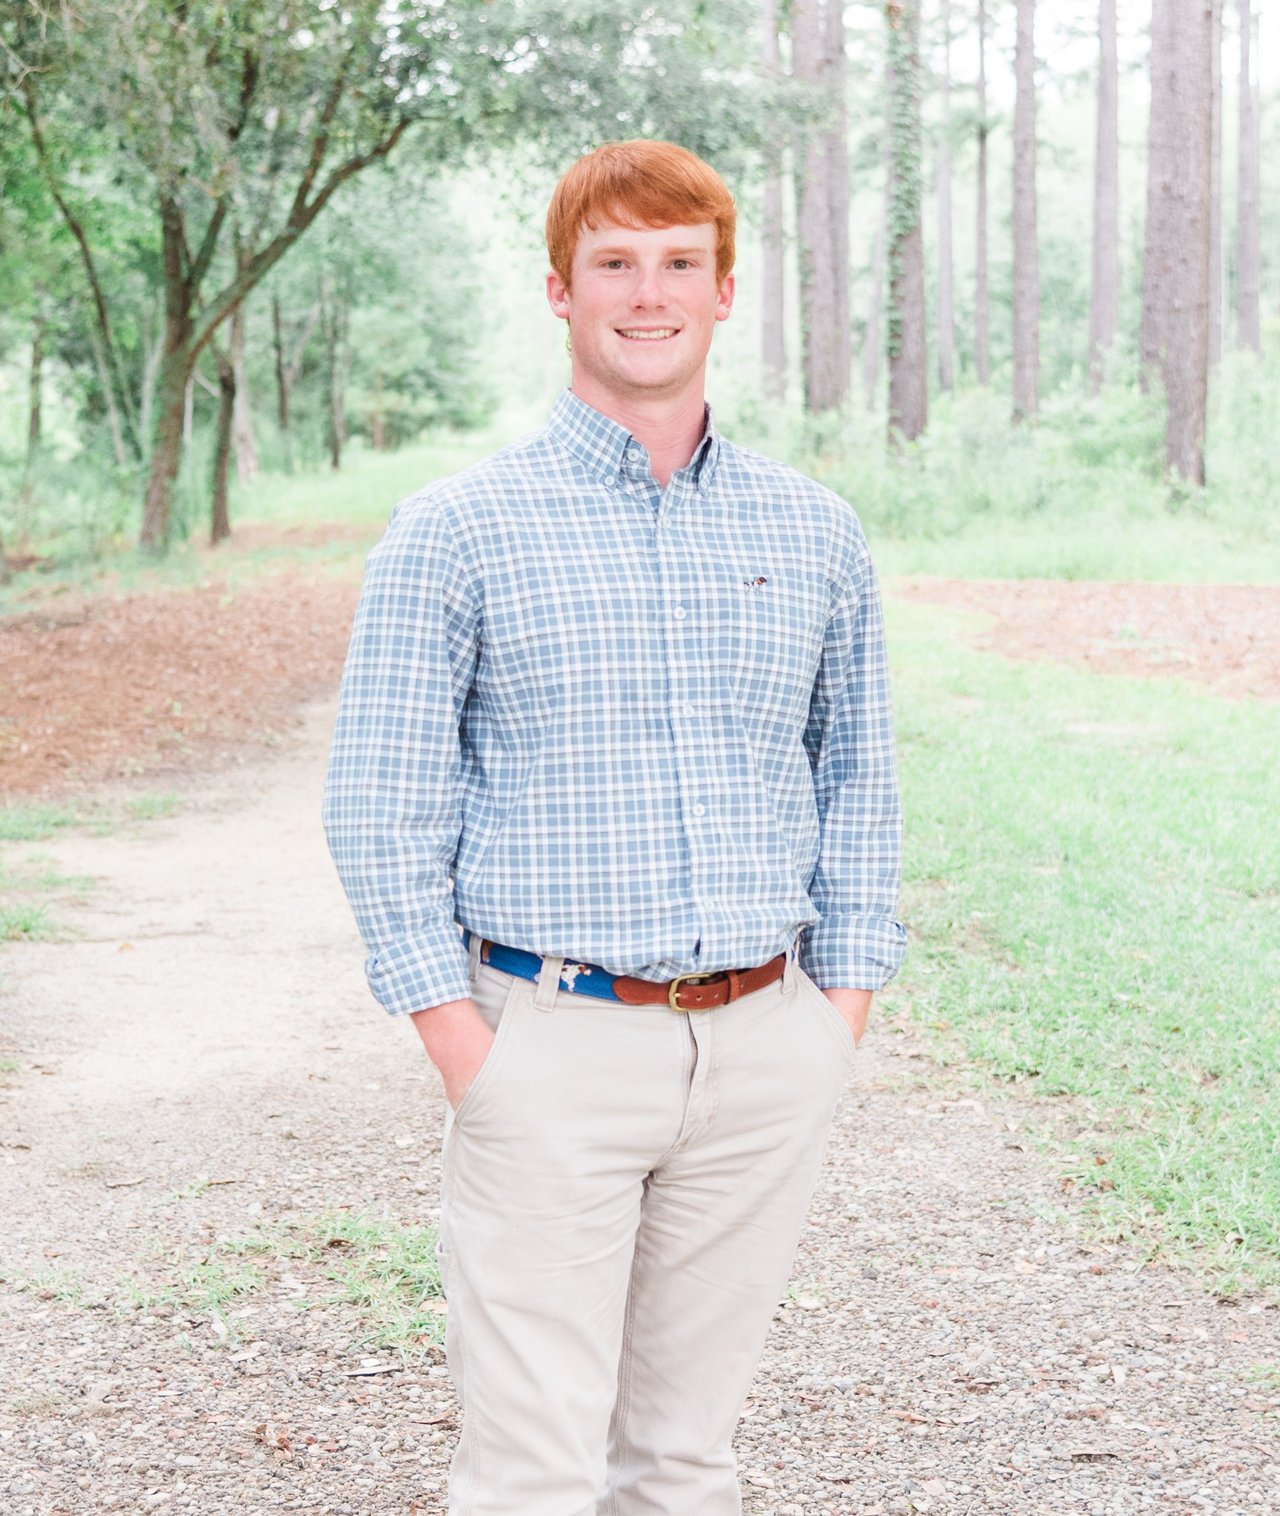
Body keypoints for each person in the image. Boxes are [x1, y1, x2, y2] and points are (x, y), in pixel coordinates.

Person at [323, 139, 906, 1516]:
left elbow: (859, 777)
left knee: (684, 1464)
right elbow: (381, 804)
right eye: (616, 264)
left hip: (767, 1047)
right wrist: (469, 1050)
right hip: (549, 1045)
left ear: (723, 295)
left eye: (679, 265)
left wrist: (837, 1022)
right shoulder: (455, 531)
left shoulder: (816, 532)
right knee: (530, 1473)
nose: (648, 295)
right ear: (559, 291)